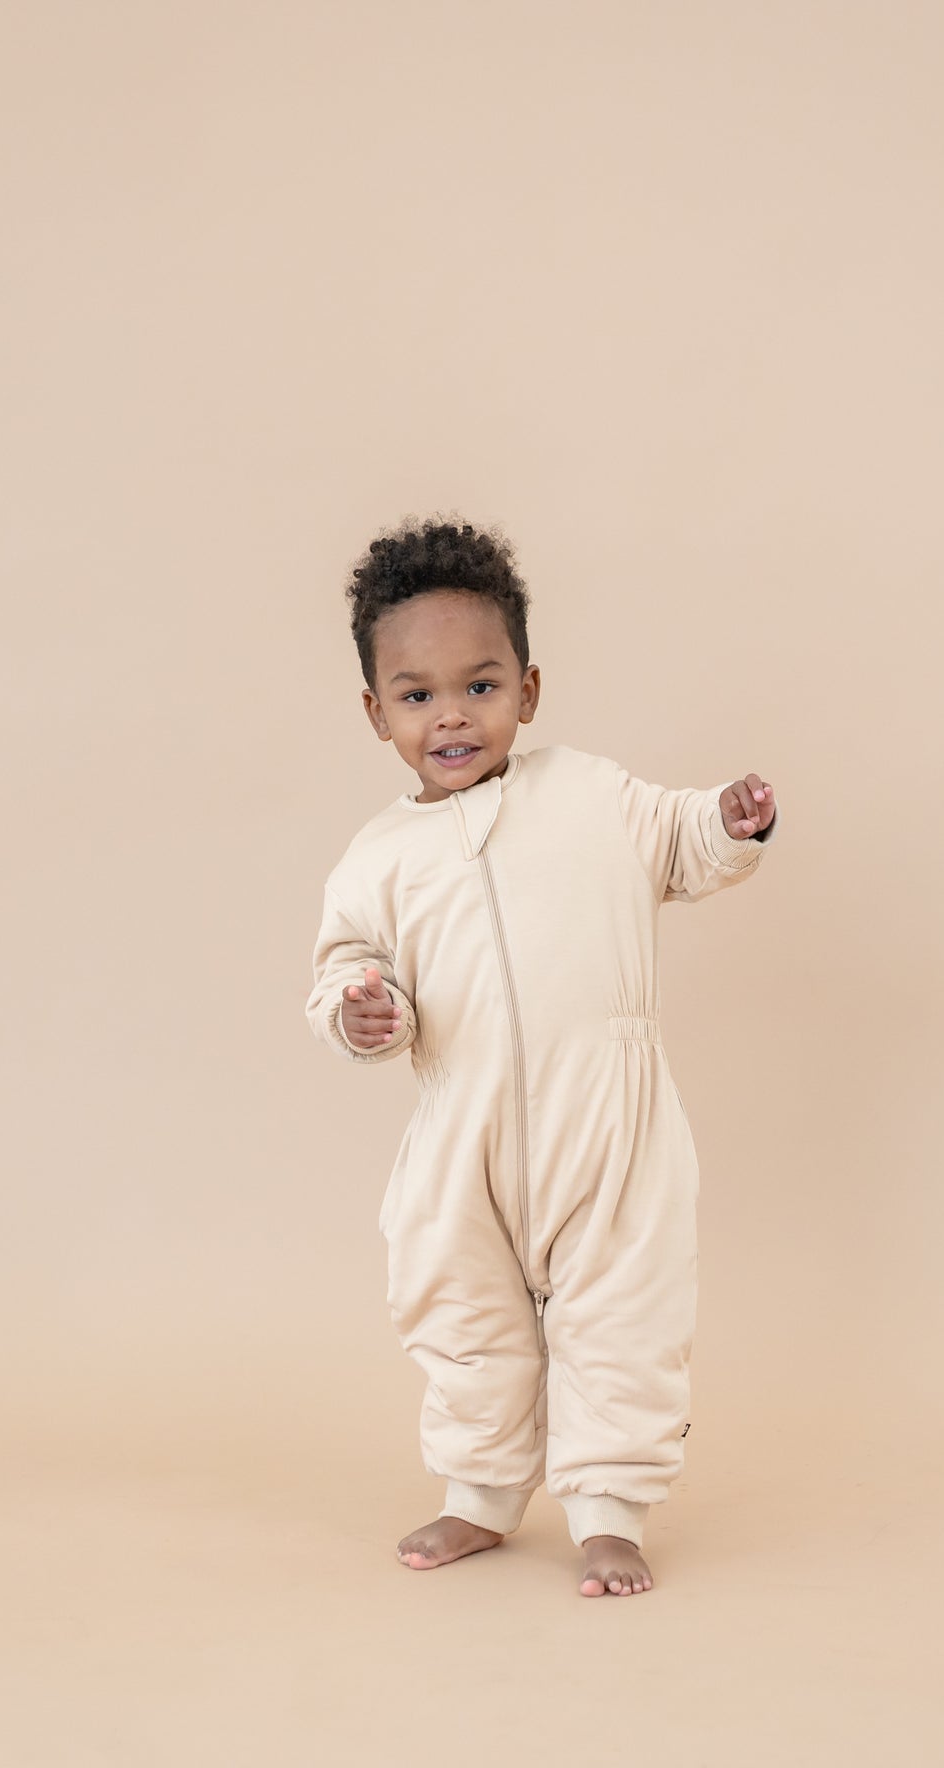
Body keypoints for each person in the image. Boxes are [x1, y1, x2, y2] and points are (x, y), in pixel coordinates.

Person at [305, 516, 779, 1598]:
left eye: (479, 685)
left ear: (527, 687)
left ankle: (610, 1509)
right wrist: (361, 1014)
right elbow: (345, 968)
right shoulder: (376, 859)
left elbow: (678, 838)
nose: (451, 715)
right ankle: (479, 1494)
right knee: (461, 1313)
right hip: (461, 1135)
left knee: (623, 1310)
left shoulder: (590, 794)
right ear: (378, 714)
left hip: (607, 1126)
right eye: (417, 696)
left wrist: (729, 818)